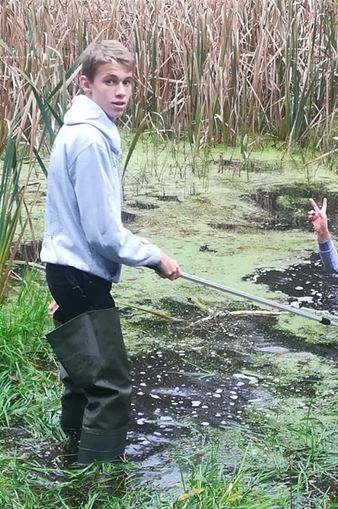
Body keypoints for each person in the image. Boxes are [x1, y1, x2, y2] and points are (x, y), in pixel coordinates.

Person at [40, 40, 182, 465]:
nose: (120, 92)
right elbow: (103, 233)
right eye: (109, 81)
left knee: (82, 375)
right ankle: (98, 481)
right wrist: (155, 257)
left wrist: (62, 280)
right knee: (110, 385)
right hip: (79, 274)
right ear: (86, 85)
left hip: (69, 272)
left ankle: (71, 453)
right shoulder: (90, 141)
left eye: (127, 82)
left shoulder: (81, 131)